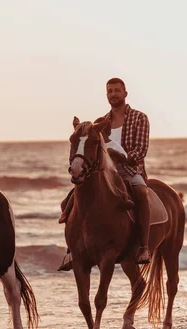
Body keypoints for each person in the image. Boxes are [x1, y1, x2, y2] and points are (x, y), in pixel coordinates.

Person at [60, 77, 151, 265]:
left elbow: (141, 150)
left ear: (125, 93)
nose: (113, 94)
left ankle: (143, 247)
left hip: (129, 169)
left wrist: (122, 158)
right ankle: (72, 249)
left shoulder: (139, 118)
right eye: (110, 91)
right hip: (104, 172)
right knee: (71, 198)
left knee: (141, 193)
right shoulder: (100, 122)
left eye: (117, 90)